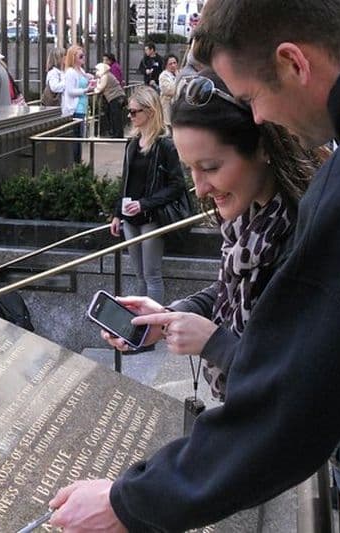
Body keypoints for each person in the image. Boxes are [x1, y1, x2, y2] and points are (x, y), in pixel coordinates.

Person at [49, 0, 340, 531]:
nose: (260, 119)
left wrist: (131, 502)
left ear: (294, 62)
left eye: (252, 97)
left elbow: (292, 403)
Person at [104, 69, 317, 403]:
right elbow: (229, 291)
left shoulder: (308, 234)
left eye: (211, 167)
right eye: (191, 168)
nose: (200, 188)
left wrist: (214, 343)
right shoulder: (249, 217)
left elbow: (302, 378)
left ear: (262, 148)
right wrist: (168, 317)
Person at [110, 86, 185, 313]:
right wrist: (117, 213)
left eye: (135, 112)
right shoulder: (132, 143)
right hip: (131, 218)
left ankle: (152, 329)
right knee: (140, 275)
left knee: (152, 275)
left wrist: (145, 203)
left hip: (152, 217)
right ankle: (140, 327)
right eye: (129, 112)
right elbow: (126, 182)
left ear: (150, 111)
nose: (130, 116)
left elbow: (177, 184)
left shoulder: (165, 145)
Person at [62, 45, 95, 163]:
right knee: (76, 137)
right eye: (80, 56)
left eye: (83, 55)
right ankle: (75, 162)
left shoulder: (81, 71)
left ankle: (77, 161)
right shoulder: (70, 72)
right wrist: (86, 90)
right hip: (75, 108)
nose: (83, 58)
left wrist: (89, 84)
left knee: (79, 137)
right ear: (73, 57)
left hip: (82, 106)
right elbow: (70, 91)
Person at [94, 61, 126, 138]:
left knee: (116, 117)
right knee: (115, 116)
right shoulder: (108, 75)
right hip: (117, 97)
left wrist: (95, 89)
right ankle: (117, 133)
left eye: (97, 70)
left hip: (115, 97)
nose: (96, 72)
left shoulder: (105, 76)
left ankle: (117, 134)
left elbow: (101, 87)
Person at [158, 54, 179, 132]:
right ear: (166, 65)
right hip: (167, 107)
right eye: (170, 64)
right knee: (168, 129)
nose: (173, 65)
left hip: (177, 107)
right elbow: (169, 90)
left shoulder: (178, 74)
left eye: (175, 63)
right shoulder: (164, 76)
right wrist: (179, 81)